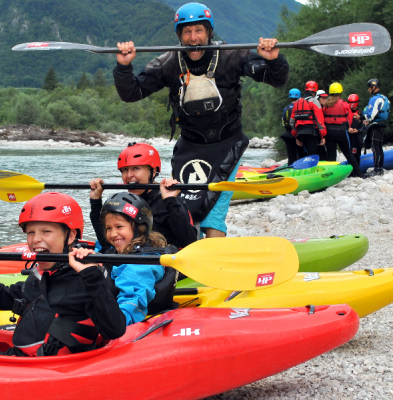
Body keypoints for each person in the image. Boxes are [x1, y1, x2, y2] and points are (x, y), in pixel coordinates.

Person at [113, 2, 289, 239]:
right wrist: (124, 67)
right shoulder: (168, 63)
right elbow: (131, 93)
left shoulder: (233, 55)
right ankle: (183, 256)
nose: (193, 38)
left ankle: (213, 260)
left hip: (228, 144)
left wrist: (273, 60)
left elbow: (275, 79)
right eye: (187, 32)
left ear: (209, 33)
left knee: (213, 212)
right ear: (179, 35)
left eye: (199, 31)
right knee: (183, 207)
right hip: (190, 146)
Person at [0, 192, 126, 357]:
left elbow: (114, 329)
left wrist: (93, 277)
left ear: (70, 236)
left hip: (51, 370)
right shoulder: (42, 275)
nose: (36, 239)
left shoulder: (86, 279)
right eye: (31, 232)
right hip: (20, 360)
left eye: (46, 231)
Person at [90, 142, 197, 250]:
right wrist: (95, 201)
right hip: (132, 262)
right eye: (125, 170)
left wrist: (170, 201)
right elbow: (105, 242)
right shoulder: (124, 201)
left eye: (136, 168)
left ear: (153, 171)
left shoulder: (169, 201)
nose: (129, 175)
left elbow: (190, 243)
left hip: (161, 262)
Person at [98, 192, 178, 325]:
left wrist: (116, 324)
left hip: (131, 319)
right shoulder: (128, 251)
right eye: (108, 228)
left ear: (139, 228)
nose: (112, 234)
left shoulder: (139, 266)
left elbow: (131, 303)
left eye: (119, 227)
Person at [322, 82, 365, 177]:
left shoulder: (326, 104)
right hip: (341, 131)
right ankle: (359, 173)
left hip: (329, 132)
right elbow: (349, 117)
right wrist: (348, 127)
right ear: (340, 93)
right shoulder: (344, 104)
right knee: (348, 153)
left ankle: (331, 176)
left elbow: (322, 117)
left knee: (332, 155)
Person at [290, 81, 326, 158]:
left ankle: (304, 167)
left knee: (305, 154)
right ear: (315, 91)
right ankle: (311, 168)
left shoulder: (297, 102)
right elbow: (319, 119)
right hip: (312, 133)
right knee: (312, 155)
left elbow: (292, 121)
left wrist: (296, 135)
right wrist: (323, 135)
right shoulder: (314, 101)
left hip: (300, 133)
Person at [363, 78, 390, 176]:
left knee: (375, 147)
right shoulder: (384, 97)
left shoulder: (374, 99)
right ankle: (380, 168)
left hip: (376, 125)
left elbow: (371, 115)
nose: (368, 90)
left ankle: (377, 169)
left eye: (369, 88)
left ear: (374, 87)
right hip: (382, 124)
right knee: (379, 147)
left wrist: (364, 118)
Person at [280, 88, 305, 165]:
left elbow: (283, 121)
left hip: (287, 133)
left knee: (290, 155)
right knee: (300, 154)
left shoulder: (286, 108)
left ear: (290, 98)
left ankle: (289, 167)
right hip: (298, 133)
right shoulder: (300, 107)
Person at [347, 93, 365, 166]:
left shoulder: (361, 113)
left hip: (358, 135)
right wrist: (348, 128)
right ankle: (351, 170)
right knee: (350, 152)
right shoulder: (346, 113)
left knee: (357, 153)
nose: (353, 108)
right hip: (349, 135)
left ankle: (357, 168)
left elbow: (365, 125)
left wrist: (359, 130)